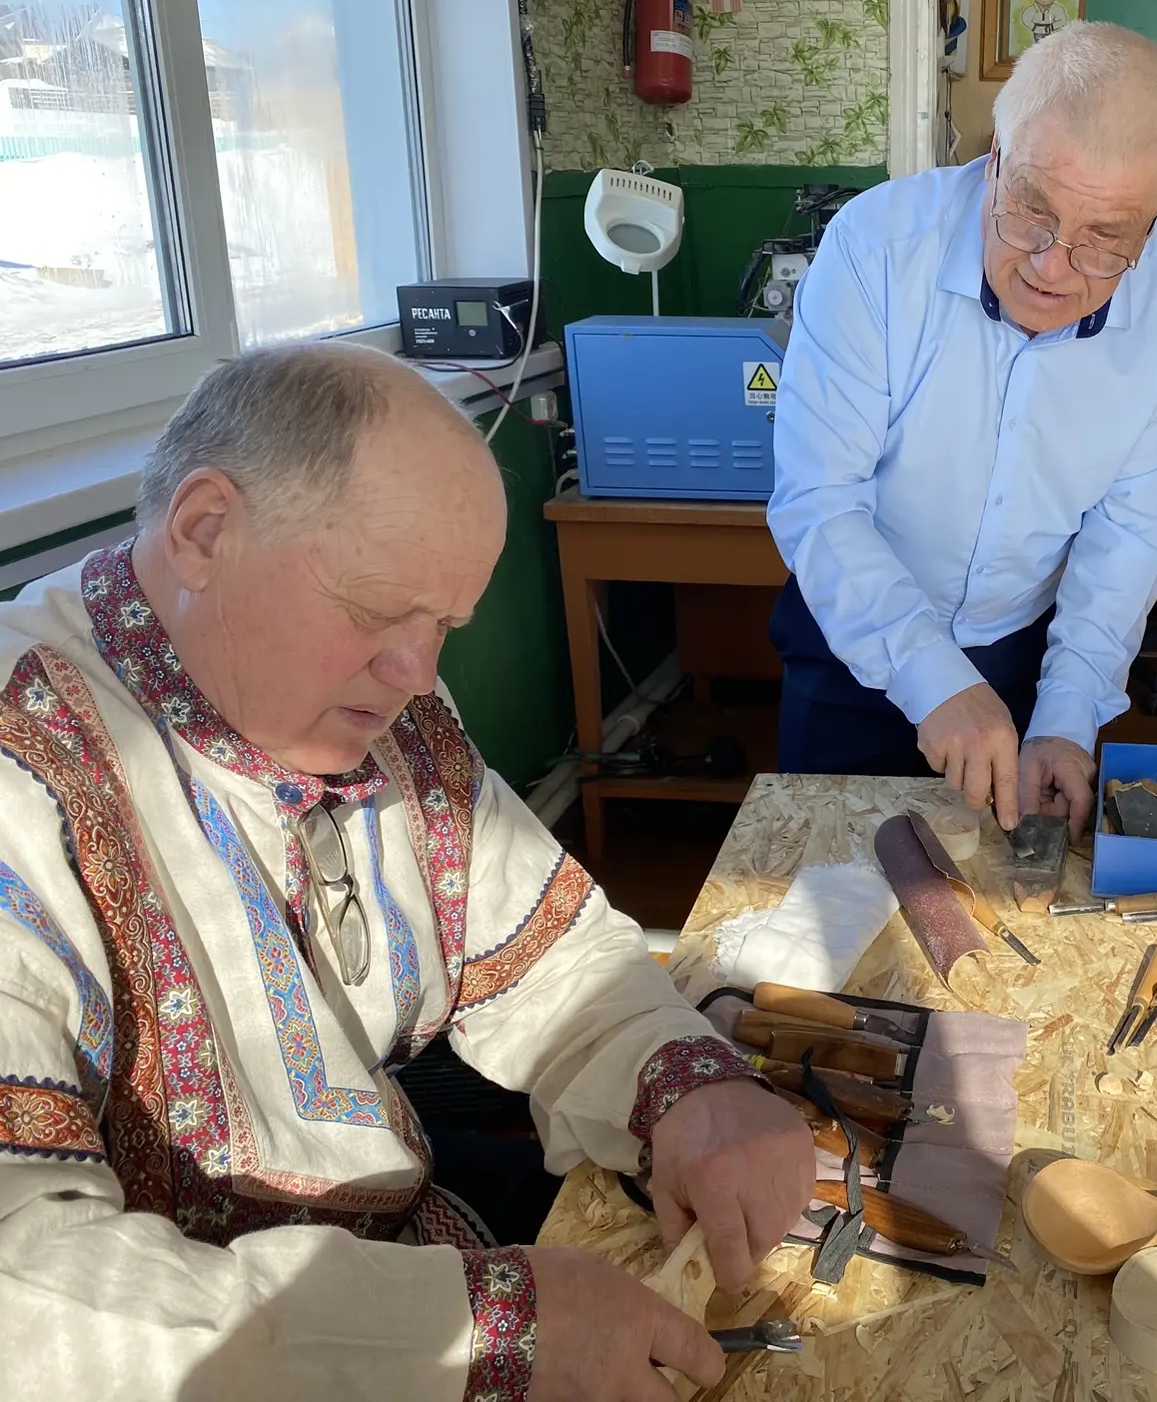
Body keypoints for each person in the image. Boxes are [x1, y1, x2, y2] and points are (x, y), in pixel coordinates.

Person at [0, 344, 815, 1400]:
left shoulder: (381, 705)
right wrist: (481, 1336)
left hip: (401, 1225)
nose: (419, 676)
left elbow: (546, 955)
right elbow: (31, 1302)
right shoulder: (26, 776)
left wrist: (687, 1081)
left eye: (444, 626)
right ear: (203, 531)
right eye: (379, 611)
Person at [766, 21, 1157, 838]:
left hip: (1026, 653)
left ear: (1155, 223)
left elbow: (1126, 528)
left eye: (1105, 238)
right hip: (853, 637)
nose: (1050, 266)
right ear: (995, 159)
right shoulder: (875, 247)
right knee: (829, 883)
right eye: (1032, 210)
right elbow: (821, 500)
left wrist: (1066, 717)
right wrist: (932, 677)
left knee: (1002, 892)